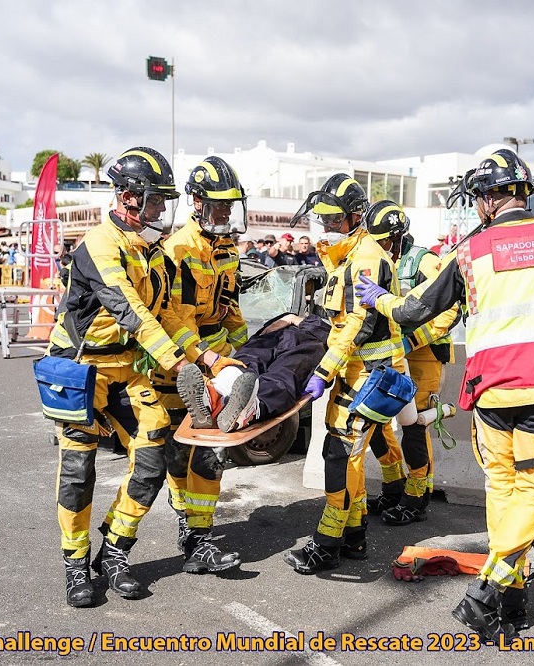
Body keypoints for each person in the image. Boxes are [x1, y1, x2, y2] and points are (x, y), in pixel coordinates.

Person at [356, 149, 534, 641]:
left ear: (491, 200)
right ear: (522, 194)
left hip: (492, 395)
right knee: (533, 492)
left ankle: (505, 596)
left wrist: (379, 299)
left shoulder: (470, 253)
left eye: (477, 200)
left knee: (503, 490)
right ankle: (496, 589)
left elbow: (413, 312)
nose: (477, 209)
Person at [49, 146, 211, 607]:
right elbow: (132, 312)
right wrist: (178, 365)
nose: (162, 210)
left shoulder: (154, 253)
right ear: (127, 197)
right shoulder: (99, 244)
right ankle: (75, 563)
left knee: (151, 457)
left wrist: (205, 358)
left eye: (164, 201)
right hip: (81, 368)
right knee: (79, 470)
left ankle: (116, 549)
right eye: (155, 200)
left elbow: (172, 316)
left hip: (127, 366)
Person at [283, 173, 406, 575]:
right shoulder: (349, 256)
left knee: (339, 455)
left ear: (355, 217)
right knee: (348, 456)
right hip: (358, 373)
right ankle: (354, 537)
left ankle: (327, 544)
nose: (327, 228)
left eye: (334, 221)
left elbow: (359, 324)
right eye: (323, 220)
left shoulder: (366, 256)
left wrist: (323, 370)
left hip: (367, 375)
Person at [152, 155, 249, 575]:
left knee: (211, 452)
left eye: (230, 206)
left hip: (216, 358)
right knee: (178, 455)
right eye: (217, 206)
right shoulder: (177, 249)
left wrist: (247, 352)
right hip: (178, 365)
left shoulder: (227, 247)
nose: (225, 214)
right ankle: (188, 529)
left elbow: (230, 306)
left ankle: (200, 537)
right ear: (195, 202)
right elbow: (173, 317)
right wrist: (206, 358)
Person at [364, 203, 458, 526]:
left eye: (385, 241)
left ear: (399, 236)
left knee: (414, 424)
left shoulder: (424, 262)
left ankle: (417, 497)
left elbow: (450, 309)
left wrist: (411, 340)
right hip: (389, 353)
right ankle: (394, 485)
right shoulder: (375, 261)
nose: (380, 247)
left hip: (423, 354)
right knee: (373, 419)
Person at [178, 312, 331, 432]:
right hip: (276, 336)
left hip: (309, 341)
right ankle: (214, 396)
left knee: (282, 373)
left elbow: (336, 339)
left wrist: (293, 319)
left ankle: (250, 406)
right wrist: (290, 318)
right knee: (245, 362)